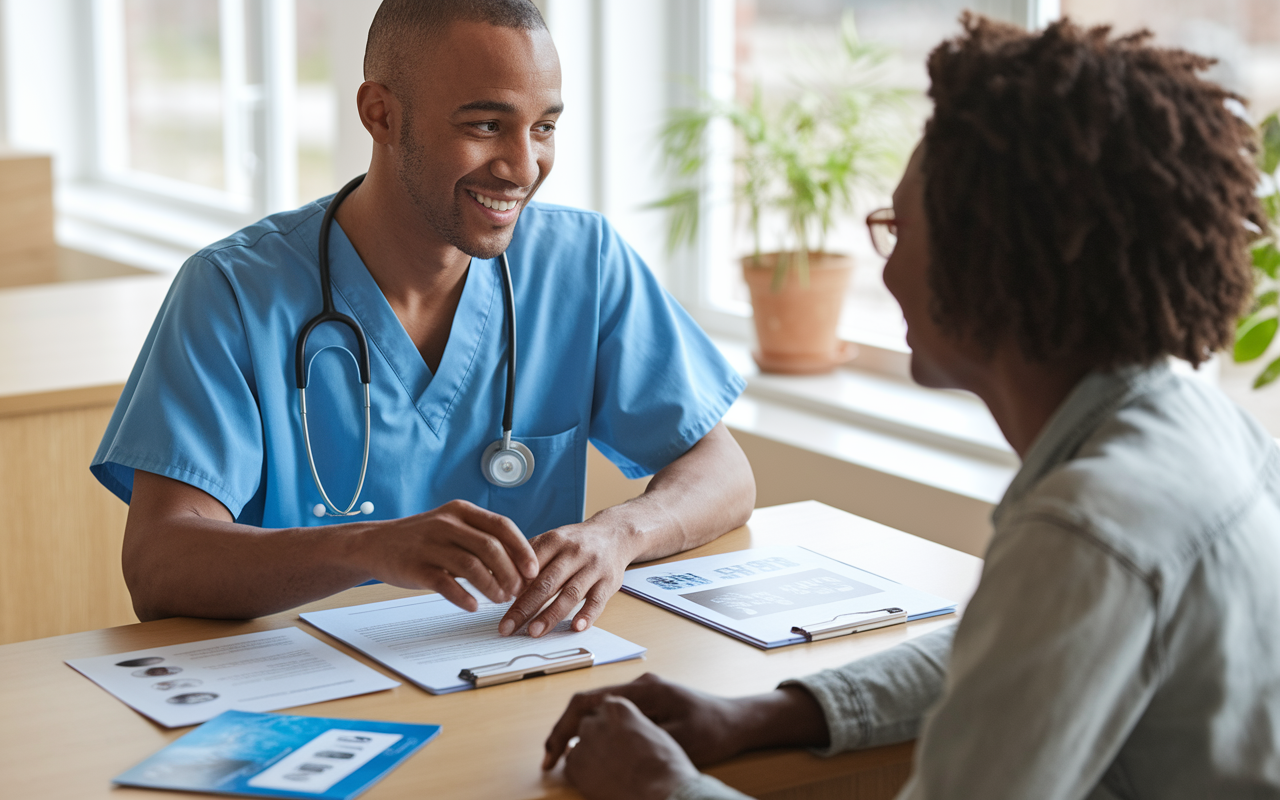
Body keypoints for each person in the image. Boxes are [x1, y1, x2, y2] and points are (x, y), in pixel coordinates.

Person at [544, 14, 1280, 800]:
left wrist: (662, 787)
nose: (887, 275)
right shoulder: (1197, 426)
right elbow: (1002, 656)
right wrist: (764, 716)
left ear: (987, 256)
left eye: (898, 230)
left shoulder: (1087, 529)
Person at [90, 0, 755, 636]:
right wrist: (367, 548)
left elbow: (722, 471)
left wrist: (619, 534)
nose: (523, 166)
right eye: (485, 125)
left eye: (544, 127)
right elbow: (158, 565)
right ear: (380, 113)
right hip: (304, 697)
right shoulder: (234, 291)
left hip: (507, 676)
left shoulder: (582, 262)